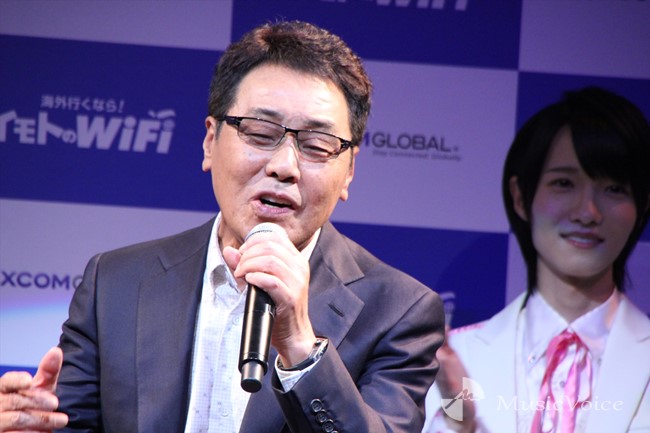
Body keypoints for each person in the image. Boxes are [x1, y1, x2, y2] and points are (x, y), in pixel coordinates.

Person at [0, 20, 445, 433]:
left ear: (348, 171)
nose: (284, 166)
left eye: (316, 144)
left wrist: (299, 346)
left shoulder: (399, 312)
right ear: (210, 141)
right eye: (260, 132)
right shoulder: (115, 283)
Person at [421, 86, 650, 433]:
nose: (587, 212)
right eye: (564, 183)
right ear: (520, 197)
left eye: (614, 188)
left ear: (643, 206)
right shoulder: (456, 359)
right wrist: (461, 425)